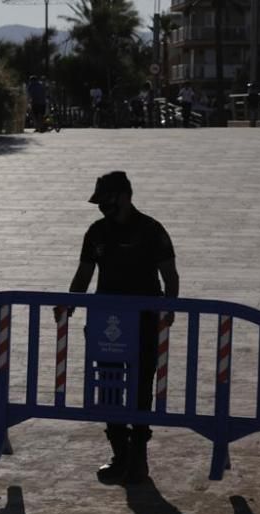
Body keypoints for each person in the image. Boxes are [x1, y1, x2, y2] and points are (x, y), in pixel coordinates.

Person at [55, 171, 180, 485]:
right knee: (109, 388)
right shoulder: (96, 233)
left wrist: (170, 307)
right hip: (107, 322)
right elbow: (83, 274)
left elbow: (170, 275)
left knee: (140, 389)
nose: (102, 208)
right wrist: (68, 303)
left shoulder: (152, 230)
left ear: (125, 196)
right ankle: (119, 455)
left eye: (107, 200)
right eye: (99, 202)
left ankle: (138, 459)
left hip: (145, 320)